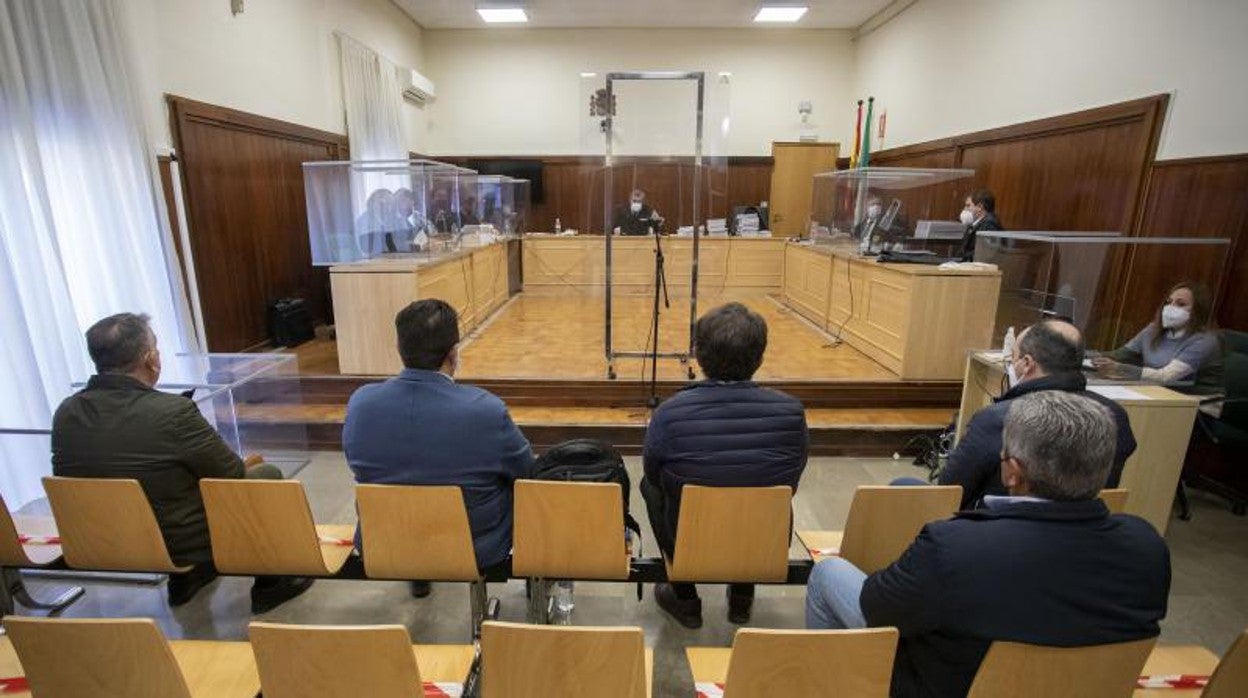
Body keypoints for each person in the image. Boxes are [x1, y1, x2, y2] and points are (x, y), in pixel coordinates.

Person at [806, 391, 1170, 698]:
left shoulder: (953, 547)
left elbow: (877, 607)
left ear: (1011, 471)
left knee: (829, 573)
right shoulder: (1147, 546)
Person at [51, 313, 314, 611]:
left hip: (95, 538)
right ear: (151, 359)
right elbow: (230, 474)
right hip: (176, 541)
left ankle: (187, 578)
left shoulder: (66, 412)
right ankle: (271, 581)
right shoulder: (172, 412)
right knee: (264, 475)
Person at [343, 299, 533, 597]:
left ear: (399, 348)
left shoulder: (361, 403)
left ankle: (418, 569)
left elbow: (358, 463)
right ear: (454, 354)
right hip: (475, 546)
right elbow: (526, 472)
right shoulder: (485, 411)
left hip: (383, 538)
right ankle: (539, 580)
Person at [640, 303, 808, 628]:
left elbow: (653, 475)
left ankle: (685, 597)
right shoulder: (791, 412)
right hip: (764, 542)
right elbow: (794, 477)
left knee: (651, 488)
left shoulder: (670, 413)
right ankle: (742, 598)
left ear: (698, 355)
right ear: (760, 357)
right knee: (764, 488)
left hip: (688, 536)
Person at [939, 320, 1136, 510]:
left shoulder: (998, 419)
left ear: (1027, 363)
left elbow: (950, 492)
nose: (1011, 365)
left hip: (1000, 532)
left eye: (1013, 358)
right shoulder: (1114, 415)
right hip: (1086, 533)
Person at [1092, 281, 1224, 393]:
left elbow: (1165, 377)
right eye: (1169, 302)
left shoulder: (1205, 341)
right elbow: (1120, 355)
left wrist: (1119, 368)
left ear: (1198, 310)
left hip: (1196, 405)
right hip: (1156, 392)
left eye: (1181, 304)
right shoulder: (1152, 330)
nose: (1171, 307)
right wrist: (1085, 355)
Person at [957, 188, 1003, 261]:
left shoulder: (990, 225)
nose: (964, 209)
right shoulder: (975, 224)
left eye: (968, 206)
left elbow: (984, 255)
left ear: (980, 207)